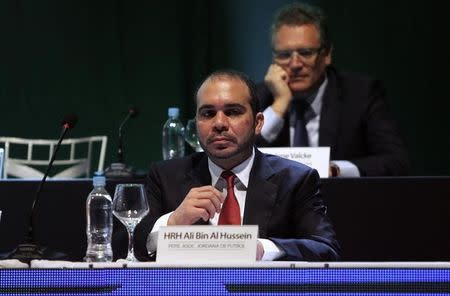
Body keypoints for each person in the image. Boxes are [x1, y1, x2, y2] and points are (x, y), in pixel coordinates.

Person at [142, 70, 340, 261]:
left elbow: (325, 249)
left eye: (233, 112)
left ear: (258, 123)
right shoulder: (166, 177)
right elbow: (128, 249)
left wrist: (263, 249)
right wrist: (173, 223)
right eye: (208, 113)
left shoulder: (295, 180)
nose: (219, 123)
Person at [257, 2, 409, 177]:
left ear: (327, 54)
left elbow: (396, 161)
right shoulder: (259, 97)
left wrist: (335, 170)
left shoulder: (361, 94)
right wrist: (279, 105)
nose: (295, 64)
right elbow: (237, 159)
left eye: (306, 53)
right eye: (284, 55)